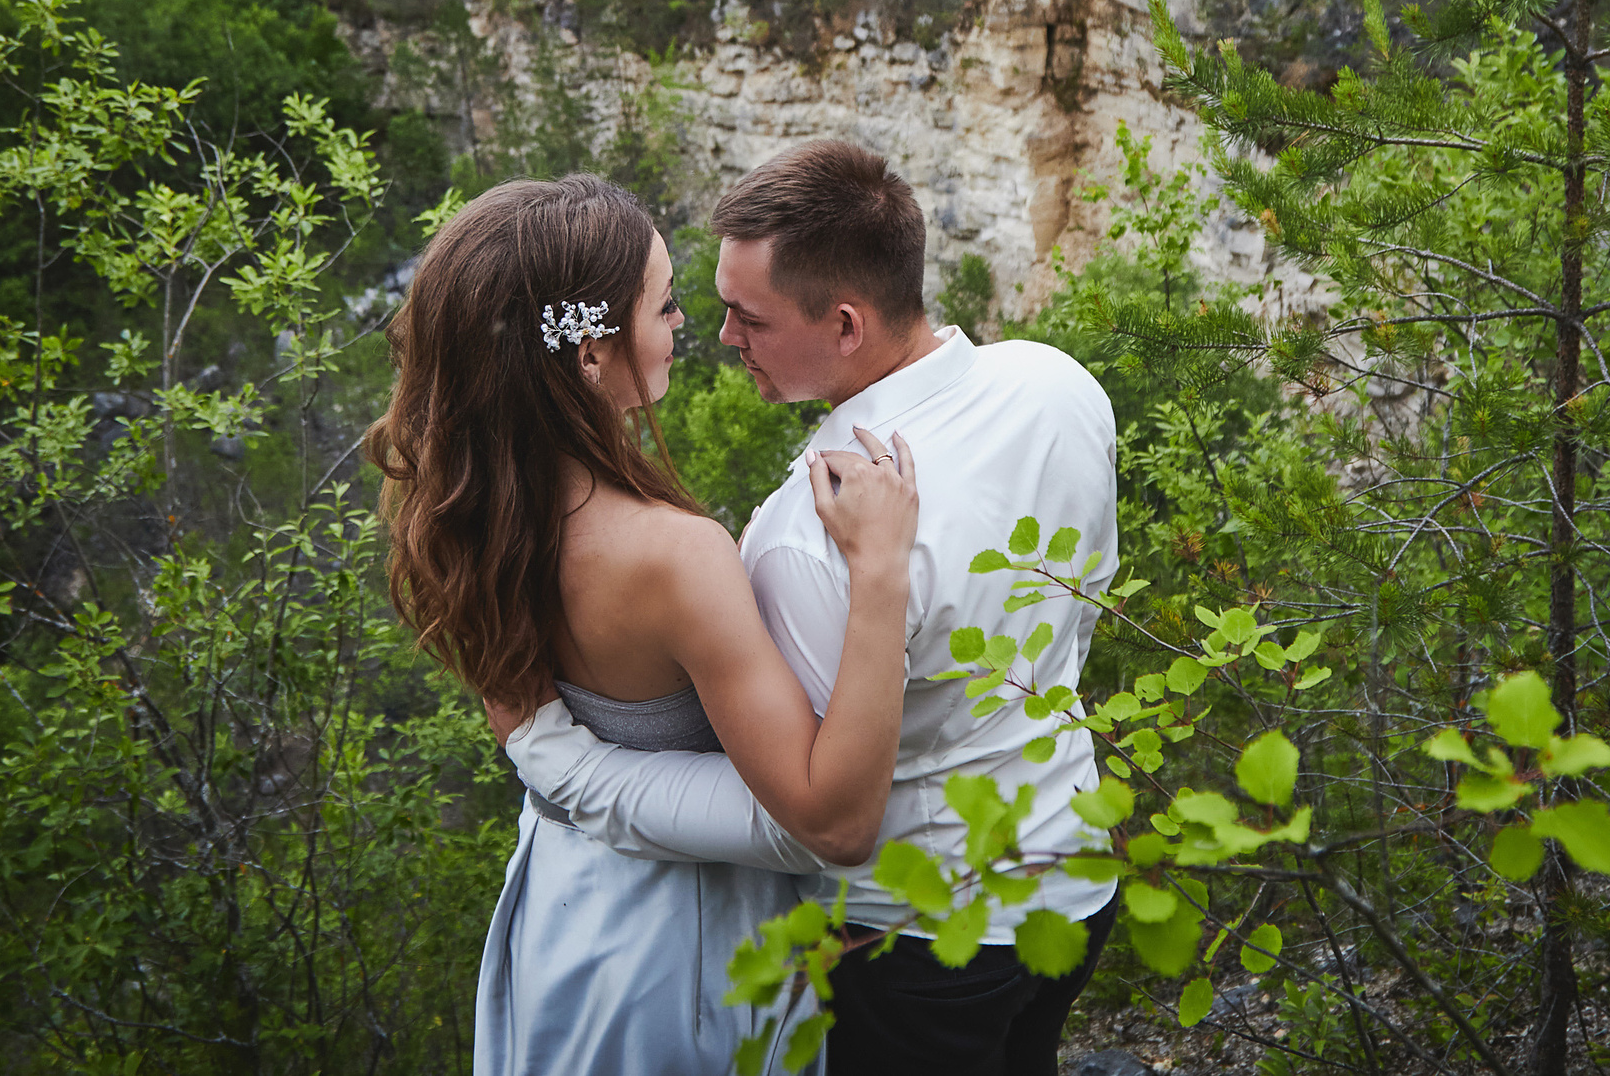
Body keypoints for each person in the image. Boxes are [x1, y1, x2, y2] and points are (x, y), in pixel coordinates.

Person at [502, 141, 1122, 1076]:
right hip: (1077, 875)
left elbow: (806, 813)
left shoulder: (806, 536)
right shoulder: (1059, 385)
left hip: (918, 942)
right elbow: (1080, 611)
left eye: (748, 317)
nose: (722, 337)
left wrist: (568, 767)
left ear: (844, 324)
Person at [366, 172, 922, 1076]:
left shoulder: (466, 508)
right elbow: (836, 819)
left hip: (564, 909)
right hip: (684, 949)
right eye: (664, 306)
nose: (686, 325)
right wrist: (882, 569)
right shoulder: (671, 557)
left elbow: (525, 720)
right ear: (590, 353)